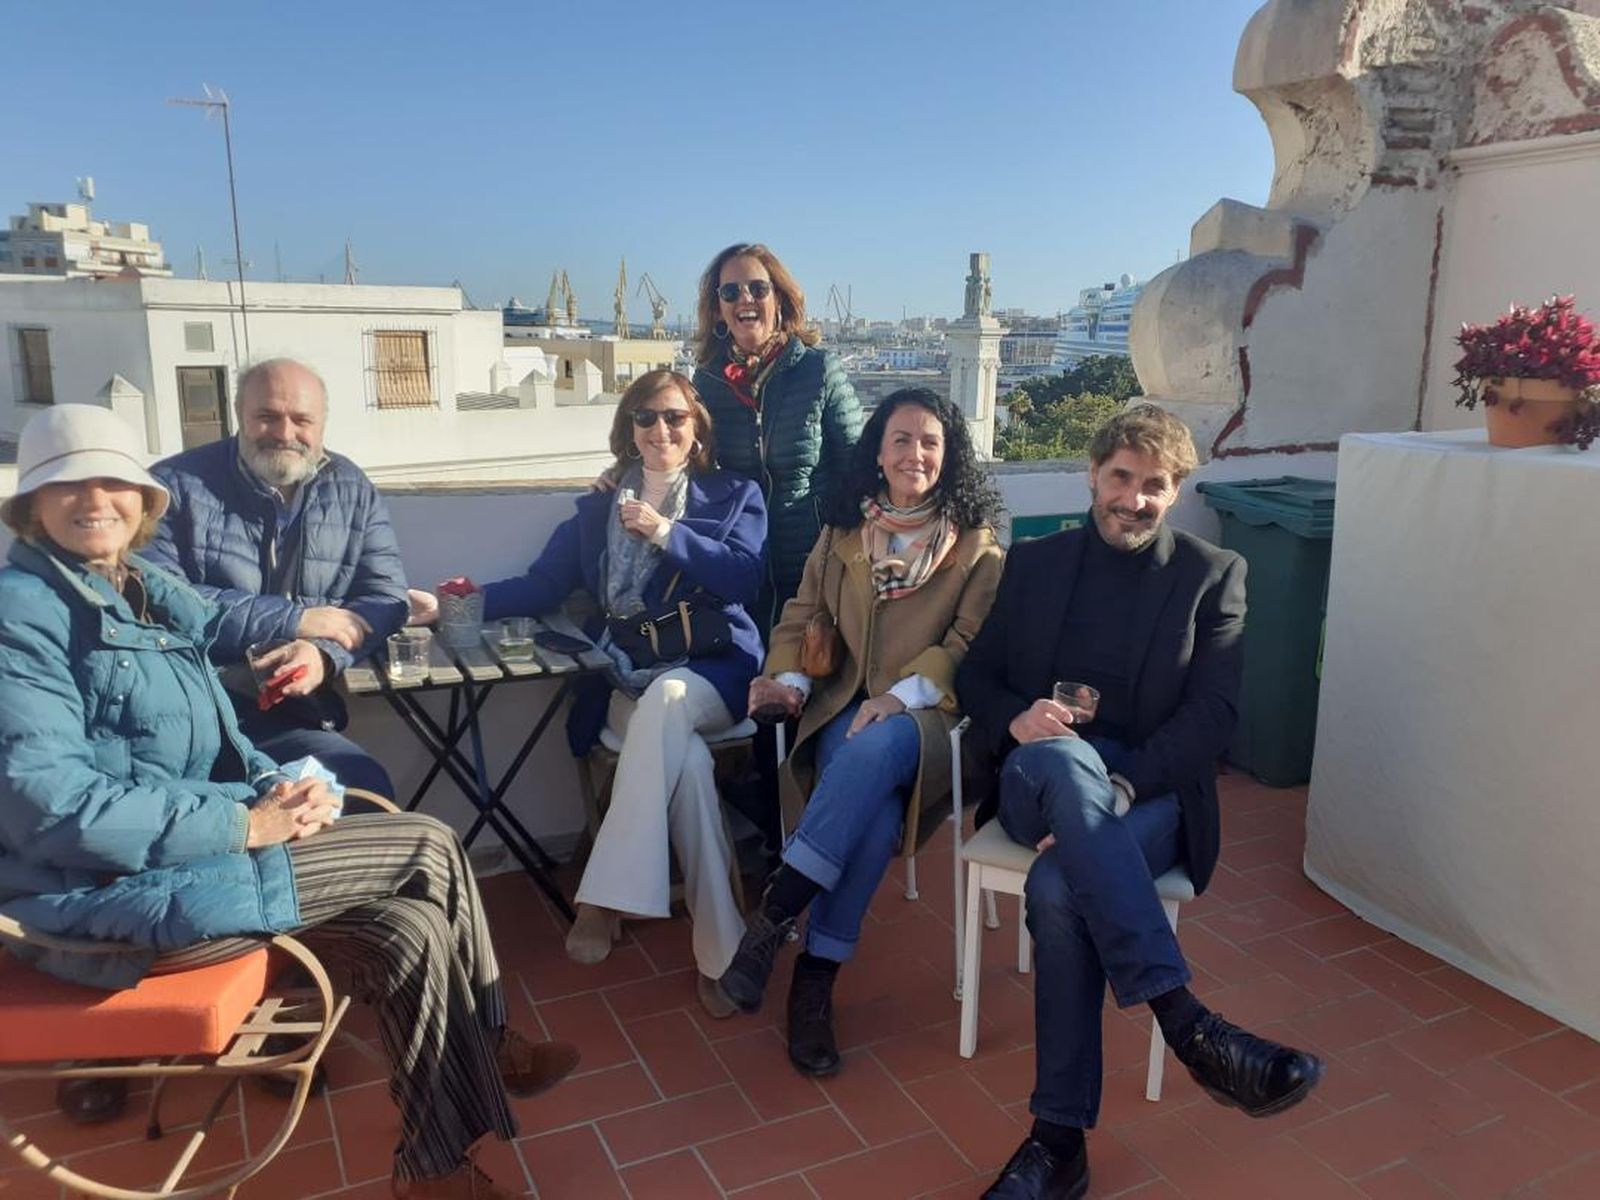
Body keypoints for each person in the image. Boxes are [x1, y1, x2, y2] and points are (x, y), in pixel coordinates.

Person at [0, 404, 579, 1200]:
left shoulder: (135, 588)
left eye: (114, 481)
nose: (96, 499)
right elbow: (53, 809)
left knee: (406, 930)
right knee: (427, 844)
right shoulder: (22, 615)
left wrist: (270, 770)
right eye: (69, 484)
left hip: (175, 862)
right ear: (33, 505)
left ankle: (436, 1168)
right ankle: (494, 1044)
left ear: (142, 501)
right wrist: (245, 821)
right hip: (106, 901)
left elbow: (215, 676)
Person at [954, 405, 1324, 1200]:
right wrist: (1017, 719)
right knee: (1060, 760)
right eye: (1120, 477)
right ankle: (1188, 1023)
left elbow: (1214, 716)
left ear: (1177, 490)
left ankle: (1058, 1144)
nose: (1134, 498)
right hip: (1037, 776)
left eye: (1154, 485)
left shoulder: (1211, 576)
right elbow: (974, 679)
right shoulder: (1036, 564)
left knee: (1059, 889)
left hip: (1146, 790)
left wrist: (1122, 786)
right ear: (1093, 474)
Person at [719, 388, 1004, 1076]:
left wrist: (904, 696)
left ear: (949, 455)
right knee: (873, 818)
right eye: (901, 439)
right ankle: (815, 978)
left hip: (931, 715)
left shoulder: (977, 547)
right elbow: (801, 613)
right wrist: (788, 678)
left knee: (875, 745)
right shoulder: (843, 532)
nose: (916, 453)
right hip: (845, 701)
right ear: (877, 453)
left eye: (930, 441)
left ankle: (775, 918)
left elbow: (972, 642)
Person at [468, 370, 766, 1018]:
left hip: (715, 673)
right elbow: (542, 586)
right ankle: (723, 954)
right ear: (627, 430)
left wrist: (665, 532)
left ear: (697, 430)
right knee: (683, 763)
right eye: (646, 417)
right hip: (629, 676)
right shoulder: (595, 510)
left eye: (675, 418)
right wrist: (455, 602)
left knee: (668, 703)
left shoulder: (734, 494)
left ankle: (603, 895)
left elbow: (743, 579)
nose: (661, 429)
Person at [144, 357, 409, 799]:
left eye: (301, 419)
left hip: (286, 718)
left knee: (364, 792)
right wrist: (293, 620)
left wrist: (321, 655)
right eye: (266, 416)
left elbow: (384, 596)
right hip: (185, 715)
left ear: (322, 423)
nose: (285, 434)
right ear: (239, 416)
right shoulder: (174, 486)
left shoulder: (350, 487)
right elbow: (158, 599)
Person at [690, 242, 863, 630]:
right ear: (718, 309)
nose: (744, 299)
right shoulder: (709, 379)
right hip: (742, 560)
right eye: (730, 292)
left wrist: (842, 545)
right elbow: (685, 453)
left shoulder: (819, 370)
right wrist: (625, 473)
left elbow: (860, 462)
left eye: (758, 288)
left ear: (780, 300)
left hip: (814, 564)